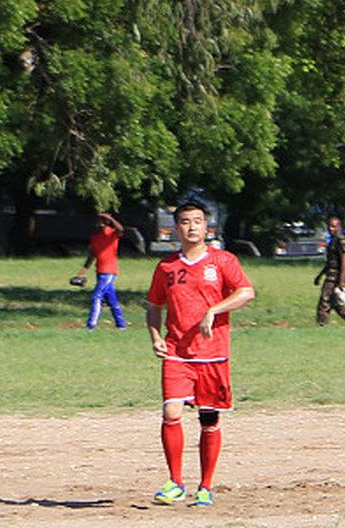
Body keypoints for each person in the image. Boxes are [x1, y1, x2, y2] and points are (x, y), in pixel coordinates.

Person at [144, 198, 255, 507]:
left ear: (207, 226)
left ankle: (205, 486)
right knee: (171, 412)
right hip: (177, 352)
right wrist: (155, 336)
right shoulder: (166, 266)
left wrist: (213, 310)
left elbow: (246, 292)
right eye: (185, 221)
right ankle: (176, 482)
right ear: (175, 227)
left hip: (213, 353)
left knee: (209, 419)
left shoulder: (223, 261)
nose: (191, 227)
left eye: (197, 221)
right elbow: (154, 305)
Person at [73, 212, 129, 330]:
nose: (100, 223)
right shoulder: (95, 238)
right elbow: (91, 256)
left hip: (109, 271)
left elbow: (121, 229)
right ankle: (121, 325)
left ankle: (91, 325)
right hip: (100, 271)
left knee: (96, 297)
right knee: (112, 300)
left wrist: (110, 218)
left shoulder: (112, 234)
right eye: (99, 220)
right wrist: (80, 273)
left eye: (102, 221)